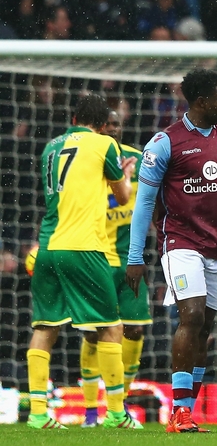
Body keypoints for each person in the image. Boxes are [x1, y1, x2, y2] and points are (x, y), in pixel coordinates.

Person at [127, 69, 217, 433]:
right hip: (180, 243)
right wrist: (135, 256)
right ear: (201, 101)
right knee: (190, 317)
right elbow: (144, 203)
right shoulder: (164, 143)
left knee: (205, 325)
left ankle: (186, 411)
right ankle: (177, 411)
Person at [26, 93, 140, 429]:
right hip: (84, 247)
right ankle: (117, 414)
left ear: (75, 117)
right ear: (104, 125)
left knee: (45, 328)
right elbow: (121, 196)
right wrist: (126, 177)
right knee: (110, 327)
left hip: (47, 246)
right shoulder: (105, 144)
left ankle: (37, 415)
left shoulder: (51, 146)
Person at [80, 109, 152, 427]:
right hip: (96, 255)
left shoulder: (140, 159)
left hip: (129, 258)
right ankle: (89, 412)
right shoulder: (85, 159)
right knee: (95, 334)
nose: (112, 129)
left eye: (117, 124)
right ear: (97, 127)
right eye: (106, 124)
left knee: (135, 329)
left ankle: (118, 406)